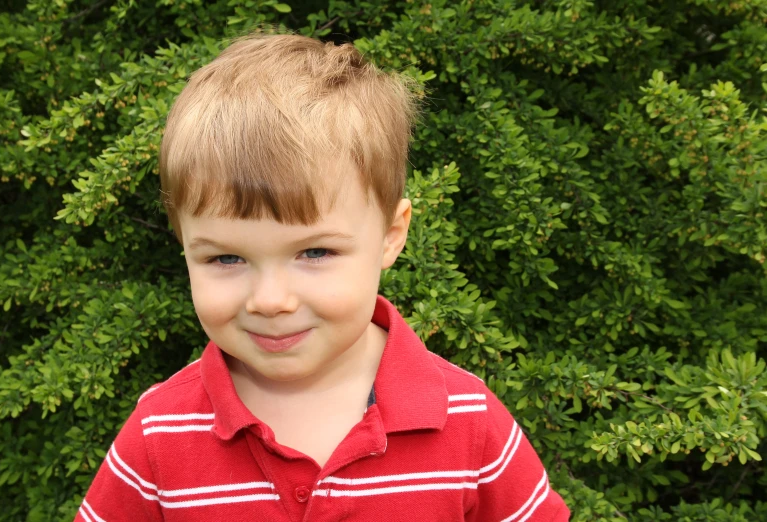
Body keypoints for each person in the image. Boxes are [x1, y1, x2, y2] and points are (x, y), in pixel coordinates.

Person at [75, 31, 571, 522]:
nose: (270, 300)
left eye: (314, 251)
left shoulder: (469, 420)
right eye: (225, 259)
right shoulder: (158, 433)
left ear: (390, 236)